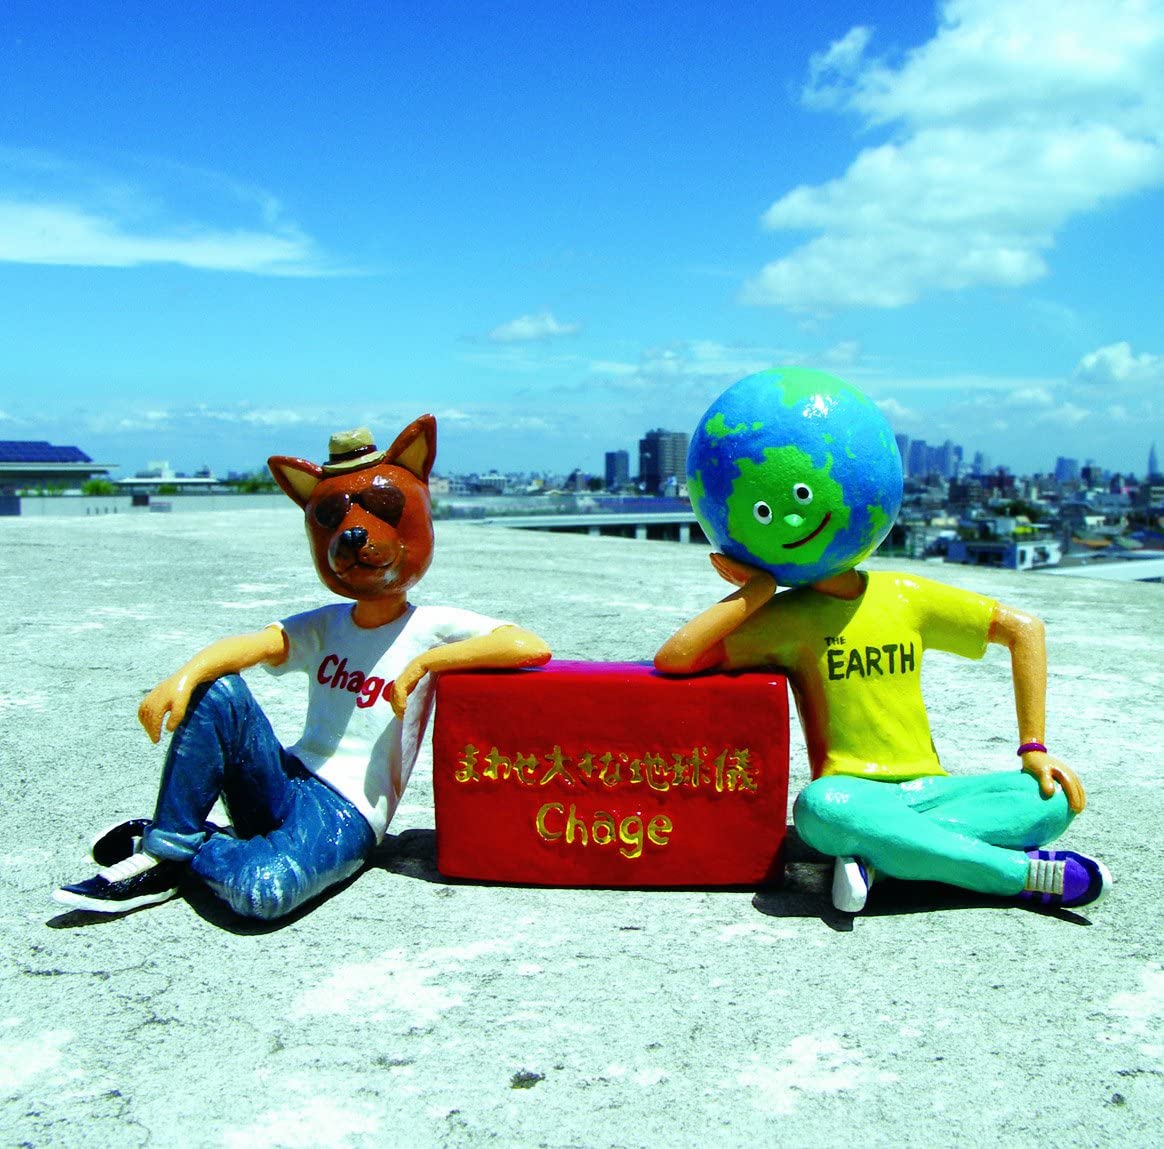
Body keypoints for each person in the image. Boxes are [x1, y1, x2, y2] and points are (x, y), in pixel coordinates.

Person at [55, 418, 551, 920]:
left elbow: (527, 646)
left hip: (348, 810)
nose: (353, 532)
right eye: (331, 518)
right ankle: (166, 854)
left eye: (383, 508)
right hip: (284, 778)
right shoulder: (327, 625)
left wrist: (427, 662)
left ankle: (175, 841)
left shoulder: (433, 627)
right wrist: (184, 676)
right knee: (218, 690)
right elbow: (253, 645)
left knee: (262, 892)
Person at [654, 552, 1110, 913]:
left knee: (1050, 800)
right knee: (820, 808)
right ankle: (1015, 874)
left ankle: (884, 857)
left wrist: (1034, 748)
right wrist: (758, 590)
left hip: (934, 791)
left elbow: (1025, 631)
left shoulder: (905, 595)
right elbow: (677, 657)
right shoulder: (787, 617)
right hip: (852, 792)